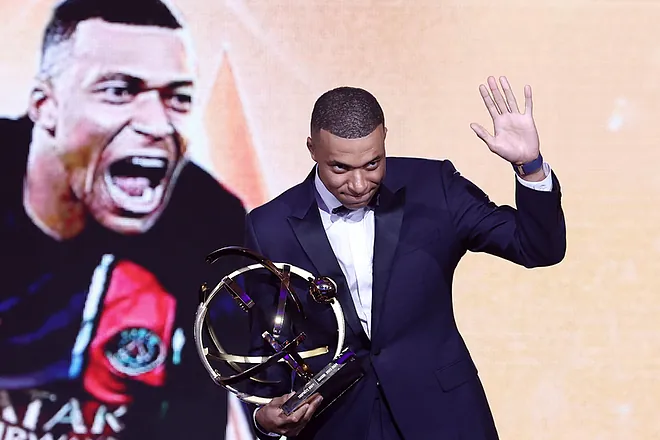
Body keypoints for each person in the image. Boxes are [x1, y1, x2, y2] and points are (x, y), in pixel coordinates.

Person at [244, 79, 566, 439]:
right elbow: (262, 345)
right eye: (340, 168)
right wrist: (262, 418)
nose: (358, 183)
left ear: (384, 139)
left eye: (372, 164)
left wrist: (530, 167)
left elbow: (536, 248)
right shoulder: (269, 226)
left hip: (445, 418)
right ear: (312, 149)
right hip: (336, 426)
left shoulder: (434, 187)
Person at [0, 0, 248, 438]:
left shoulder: (208, 223)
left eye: (178, 98)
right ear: (45, 105)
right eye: (118, 90)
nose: (157, 124)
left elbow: (217, 403)